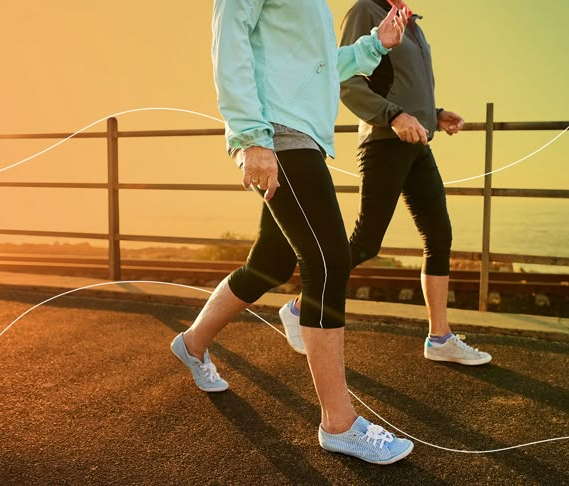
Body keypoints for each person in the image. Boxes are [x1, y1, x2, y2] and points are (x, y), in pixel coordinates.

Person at [170, 0, 414, 465]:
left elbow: (320, 65)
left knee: (271, 262)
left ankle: (192, 343)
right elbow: (230, 42)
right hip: (278, 133)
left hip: (302, 135)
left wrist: (373, 46)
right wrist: (251, 136)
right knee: (328, 261)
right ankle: (339, 424)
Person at [279, 0, 492, 366]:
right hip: (383, 142)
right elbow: (343, 78)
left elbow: (402, 81)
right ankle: (300, 308)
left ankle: (439, 337)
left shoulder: (411, 21)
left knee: (439, 236)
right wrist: (393, 116)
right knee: (366, 242)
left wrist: (434, 114)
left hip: (417, 142)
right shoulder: (365, 10)